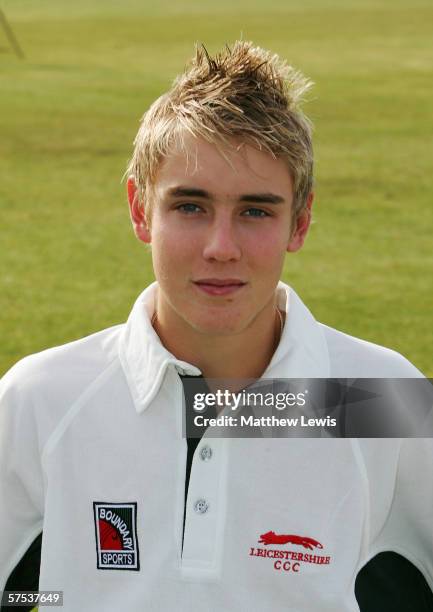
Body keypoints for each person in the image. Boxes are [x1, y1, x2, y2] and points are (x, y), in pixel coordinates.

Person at [0, 41, 432, 612]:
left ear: (298, 223)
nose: (220, 248)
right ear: (139, 210)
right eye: (189, 206)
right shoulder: (41, 399)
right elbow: (27, 593)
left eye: (255, 210)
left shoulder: (380, 398)